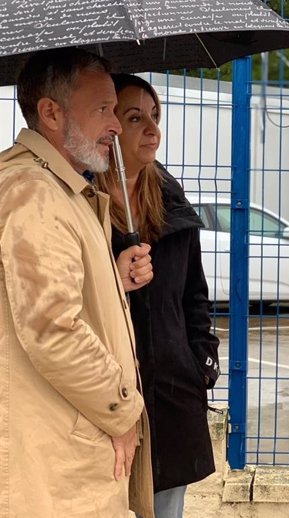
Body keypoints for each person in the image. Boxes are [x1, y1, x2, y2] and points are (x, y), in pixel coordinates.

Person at [0, 49, 155, 517]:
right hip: (56, 462)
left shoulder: (62, 189)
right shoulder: (34, 193)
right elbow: (53, 329)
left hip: (64, 449)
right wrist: (123, 411)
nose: (115, 125)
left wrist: (111, 282)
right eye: (103, 109)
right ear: (51, 113)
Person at [96, 73, 220, 518]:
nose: (153, 129)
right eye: (135, 118)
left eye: (155, 115)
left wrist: (200, 363)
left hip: (170, 392)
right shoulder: (81, 203)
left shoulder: (169, 199)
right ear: (109, 125)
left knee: (167, 508)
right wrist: (115, 273)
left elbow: (195, 296)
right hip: (106, 393)